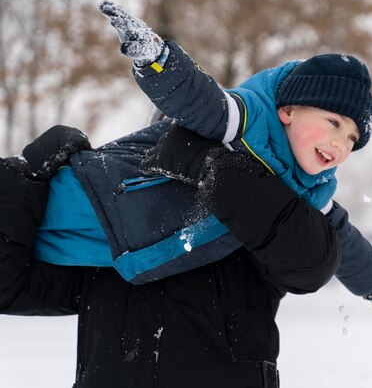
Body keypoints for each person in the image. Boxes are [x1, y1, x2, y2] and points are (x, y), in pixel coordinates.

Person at [13, 0, 372, 338]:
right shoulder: (246, 121)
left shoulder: (312, 190)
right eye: (334, 124)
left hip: (115, 247)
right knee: (24, 218)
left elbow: (347, 244)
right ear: (289, 111)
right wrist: (157, 59)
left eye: (352, 141)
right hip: (99, 193)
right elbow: (199, 98)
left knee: (34, 256)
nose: (341, 146)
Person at [0, 128, 343, 387]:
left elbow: (313, 262)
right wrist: (22, 181)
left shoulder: (246, 236)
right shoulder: (106, 244)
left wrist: (217, 169)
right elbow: (8, 286)